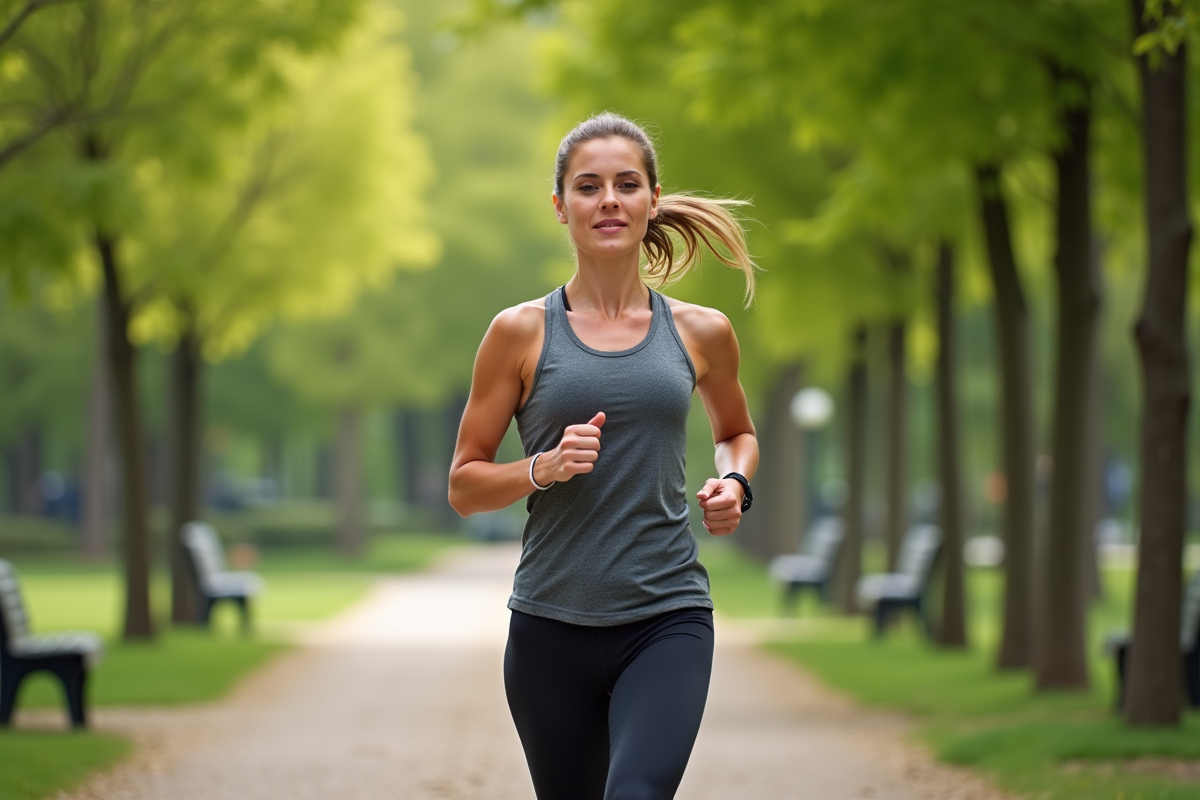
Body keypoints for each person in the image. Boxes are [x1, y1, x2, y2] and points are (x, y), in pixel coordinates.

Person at [448, 112, 759, 800]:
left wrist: (734, 482)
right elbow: (464, 485)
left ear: (651, 198)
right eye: (588, 187)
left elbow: (738, 430)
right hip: (548, 627)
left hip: (666, 617)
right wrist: (542, 467)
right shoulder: (520, 333)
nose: (609, 200)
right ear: (561, 207)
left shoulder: (701, 331)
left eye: (626, 184)